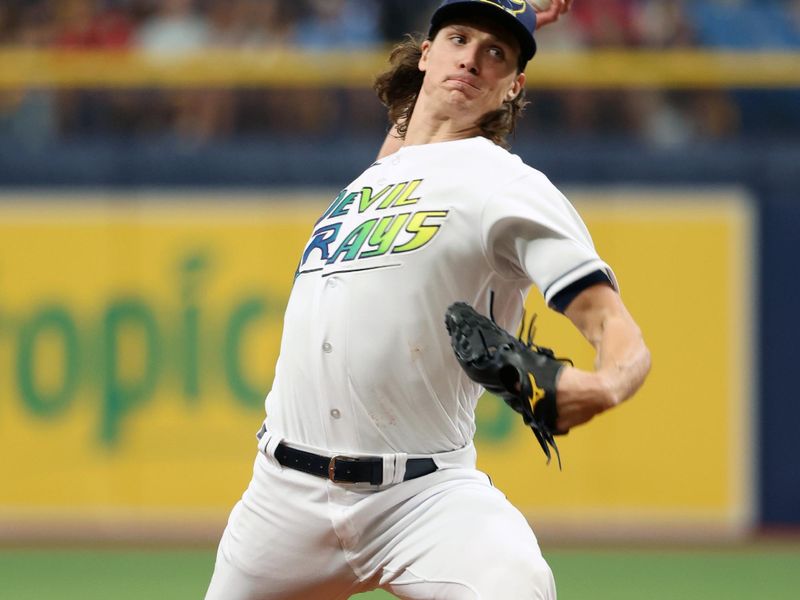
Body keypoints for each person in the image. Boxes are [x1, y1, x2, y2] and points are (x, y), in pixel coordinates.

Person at [204, 1, 650, 598]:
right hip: (281, 500)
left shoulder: (507, 187)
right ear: (425, 54)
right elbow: (415, 136)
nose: (471, 59)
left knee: (518, 588)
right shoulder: (377, 176)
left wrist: (605, 386)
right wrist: (520, 20)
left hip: (423, 498)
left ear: (514, 87)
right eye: (459, 39)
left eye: (496, 53)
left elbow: (612, 324)